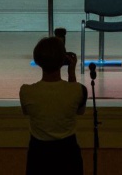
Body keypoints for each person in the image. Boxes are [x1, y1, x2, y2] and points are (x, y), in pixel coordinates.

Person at [19, 36, 88, 175]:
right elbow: (79, 111)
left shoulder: (26, 91)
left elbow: (26, 112)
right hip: (68, 154)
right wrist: (71, 73)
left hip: (38, 156)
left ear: (37, 60)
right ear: (63, 60)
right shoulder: (79, 90)